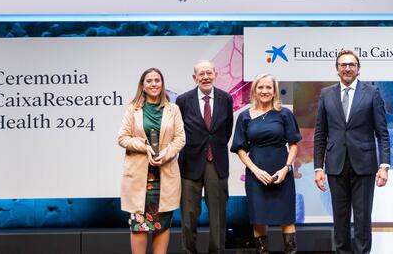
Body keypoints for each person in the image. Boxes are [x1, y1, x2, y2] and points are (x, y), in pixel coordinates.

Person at [313, 50, 390, 254]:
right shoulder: (326, 94)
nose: (347, 68)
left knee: (363, 219)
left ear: (358, 68)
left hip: (364, 165)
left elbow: (382, 132)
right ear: (337, 69)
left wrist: (384, 166)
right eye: (343, 64)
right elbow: (321, 133)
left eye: (351, 64)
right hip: (336, 165)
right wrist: (318, 168)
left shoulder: (372, 93)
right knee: (340, 219)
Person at [118, 68, 186, 254]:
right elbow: (122, 138)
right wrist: (145, 146)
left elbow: (180, 138)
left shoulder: (174, 109)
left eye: (157, 80)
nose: (154, 84)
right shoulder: (133, 109)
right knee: (139, 226)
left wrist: (166, 153)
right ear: (143, 85)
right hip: (139, 177)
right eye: (149, 81)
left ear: (162, 84)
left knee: (161, 225)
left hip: (164, 176)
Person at [232, 73, 301, 254]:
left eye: (268, 87)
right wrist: (255, 170)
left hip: (282, 172)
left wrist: (286, 169)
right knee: (259, 218)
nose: (264, 91)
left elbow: (293, 144)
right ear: (254, 90)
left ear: (274, 91)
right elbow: (240, 149)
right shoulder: (244, 116)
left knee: (286, 218)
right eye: (260, 87)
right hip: (256, 174)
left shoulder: (284, 113)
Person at [176, 60, 234, 254]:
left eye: (209, 73)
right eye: (201, 74)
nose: (206, 77)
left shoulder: (226, 98)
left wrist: (212, 148)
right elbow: (180, 131)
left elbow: (227, 131)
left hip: (216, 163)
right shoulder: (183, 100)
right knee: (189, 214)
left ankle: (216, 251)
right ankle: (188, 251)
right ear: (195, 78)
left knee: (218, 215)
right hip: (190, 163)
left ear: (215, 74)